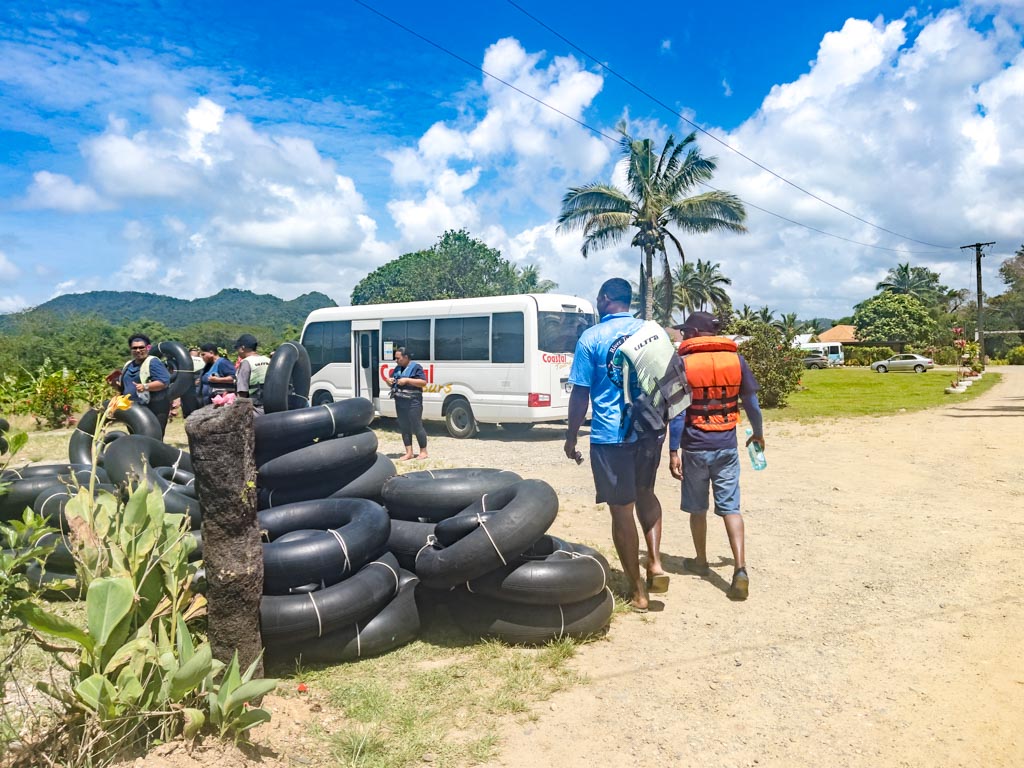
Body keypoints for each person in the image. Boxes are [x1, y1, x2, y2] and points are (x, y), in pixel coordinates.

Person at [563, 277, 668, 612]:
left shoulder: (591, 337)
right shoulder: (653, 331)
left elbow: (580, 392)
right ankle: (655, 564)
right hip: (649, 430)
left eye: (598, 297)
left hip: (611, 435)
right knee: (646, 494)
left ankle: (638, 592)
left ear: (606, 299)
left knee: (621, 510)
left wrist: (571, 436)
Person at [668, 311, 765, 601]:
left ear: (697, 332)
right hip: (726, 445)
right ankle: (740, 568)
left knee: (698, 508)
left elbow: (677, 412)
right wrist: (757, 433)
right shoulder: (736, 359)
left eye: (687, 331)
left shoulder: (683, 362)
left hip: (695, 446)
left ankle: (700, 560)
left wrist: (673, 450)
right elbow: (751, 402)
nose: (684, 335)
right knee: (731, 508)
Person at [117, 333, 172, 435]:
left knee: (151, 439)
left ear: (148, 347)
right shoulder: (128, 364)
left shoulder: (153, 362)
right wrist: (114, 384)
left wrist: (146, 386)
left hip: (153, 408)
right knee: (135, 438)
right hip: (132, 409)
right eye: (134, 348)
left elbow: (164, 382)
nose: (138, 350)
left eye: (141, 347)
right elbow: (124, 387)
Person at [384, 346, 428, 460]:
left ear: (406, 357)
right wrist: (388, 382)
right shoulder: (397, 369)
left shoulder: (416, 368)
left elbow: (423, 382)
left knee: (417, 425)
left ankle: (423, 451)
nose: (396, 360)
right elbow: (393, 383)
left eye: (398, 358)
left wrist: (408, 380)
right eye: (395, 358)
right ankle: (409, 452)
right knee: (404, 427)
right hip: (400, 401)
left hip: (413, 402)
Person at [233, 334, 270, 412]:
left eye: (237, 348)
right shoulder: (268, 360)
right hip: (271, 405)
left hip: (256, 408)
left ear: (242, 348)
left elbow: (242, 392)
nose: (237, 352)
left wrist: (237, 410)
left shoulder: (246, 362)